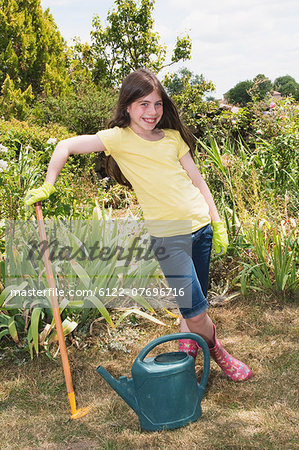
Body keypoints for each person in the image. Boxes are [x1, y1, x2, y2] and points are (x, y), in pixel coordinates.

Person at [25, 68, 252, 381]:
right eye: (144, 104)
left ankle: (188, 346)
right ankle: (219, 352)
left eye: (157, 104)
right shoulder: (118, 138)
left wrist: (217, 221)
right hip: (168, 237)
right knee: (198, 312)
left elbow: (197, 181)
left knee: (190, 305)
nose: (152, 112)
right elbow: (65, 145)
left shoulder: (172, 139)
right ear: (127, 107)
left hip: (200, 228)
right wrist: (49, 183)